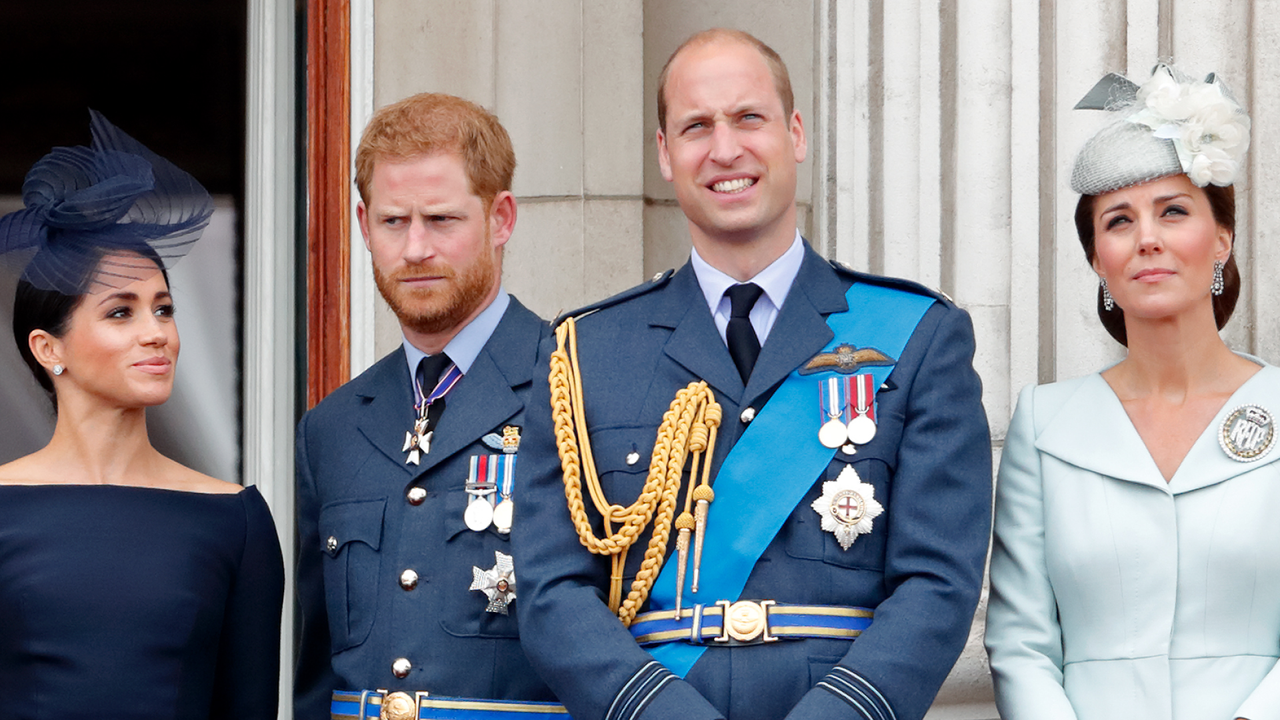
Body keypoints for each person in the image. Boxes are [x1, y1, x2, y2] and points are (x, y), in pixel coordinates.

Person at [513, 29, 992, 720]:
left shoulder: (918, 335)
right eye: (696, 126)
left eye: (748, 117)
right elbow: (553, 591)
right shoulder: (585, 351)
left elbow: (937, 581)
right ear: (665, 155)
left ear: (795, 133)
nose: (725, 148)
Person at [985, 64, 1279, 720]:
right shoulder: (1045, 422)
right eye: (1119, 221)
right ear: (1098, 260)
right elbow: (1021, 640)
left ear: (1221, 240)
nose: (1147, 237)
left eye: (1173, 211)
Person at [0, 111, 284, 719]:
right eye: (121, 312)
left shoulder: (236, 520)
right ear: (49, 349)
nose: (157, 334)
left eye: (164, 308)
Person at [294, 93, 562, 720]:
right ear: (364, 227)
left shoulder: (574, 385)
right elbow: (316, 674)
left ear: (501, 219)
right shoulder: (331, 427)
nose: (415, 249)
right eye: (393, 222)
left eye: (441, 220)